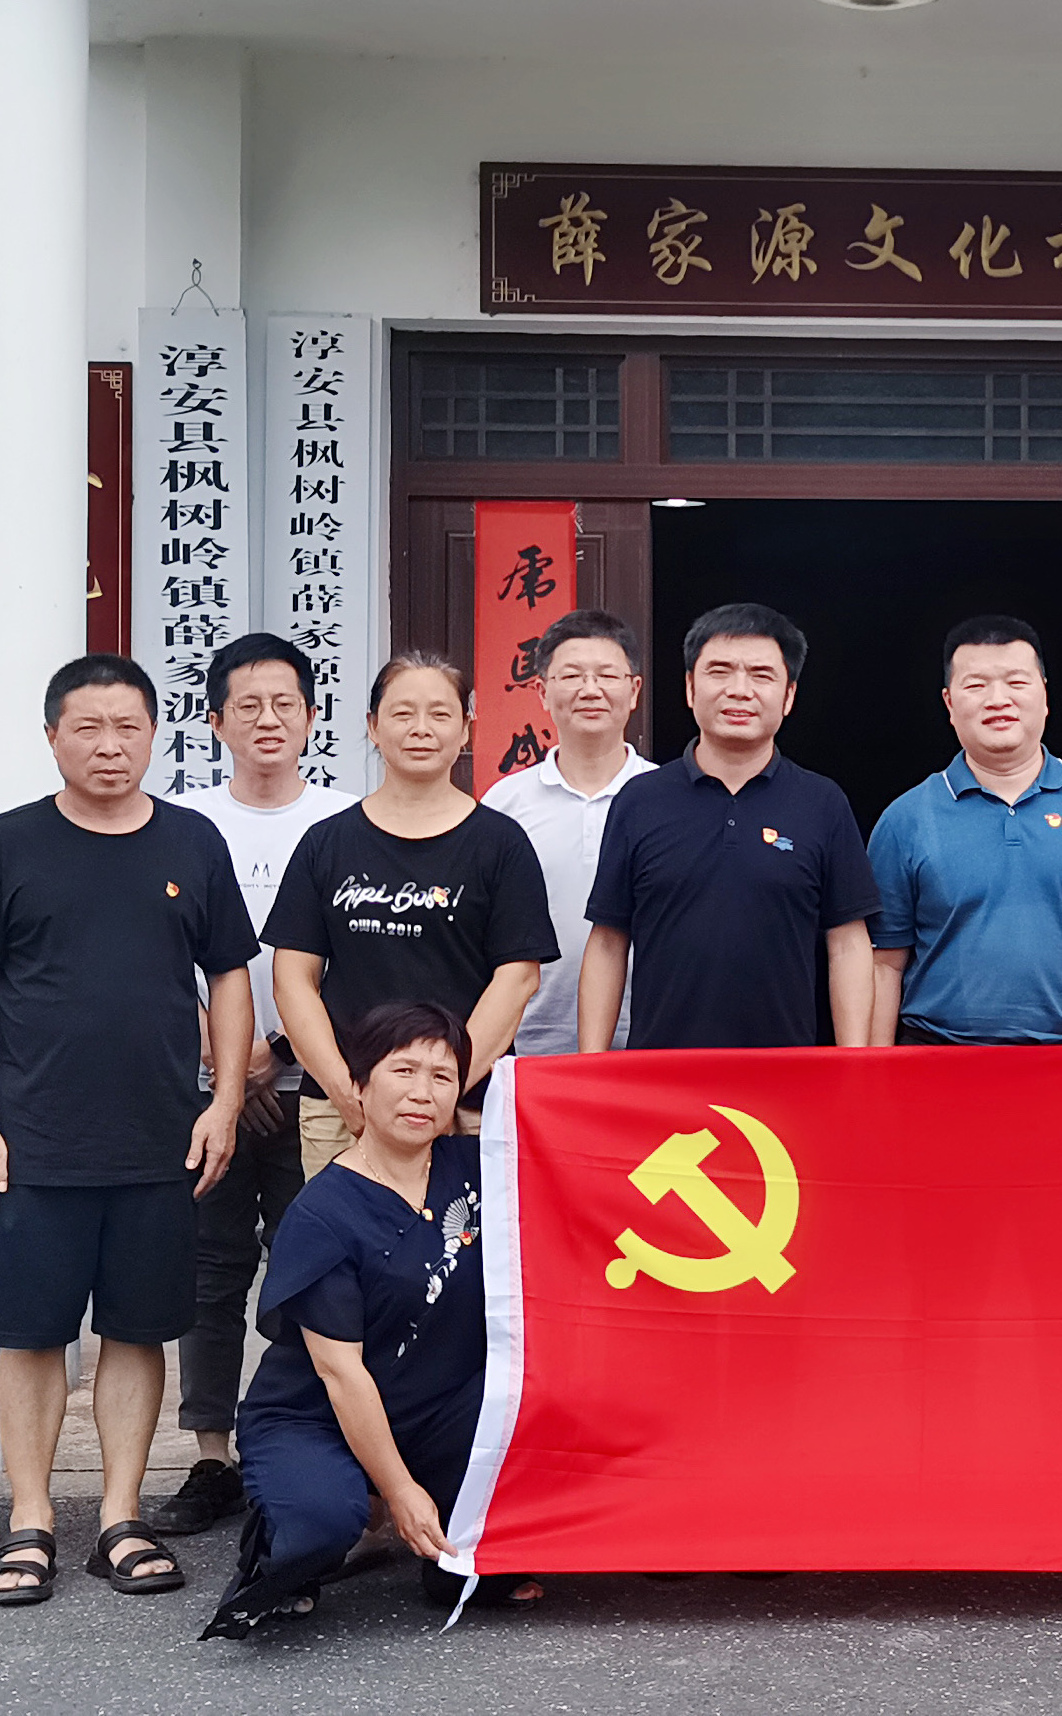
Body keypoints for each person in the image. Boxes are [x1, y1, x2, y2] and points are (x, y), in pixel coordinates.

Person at [0, 653, 262, 1608]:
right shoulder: (5, 845)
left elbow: (229, 978)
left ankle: (120, 1516)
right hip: (29, 1142)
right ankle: (31, 1519)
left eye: (127, 727)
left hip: (158, 1142)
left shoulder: (192, 842)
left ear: (155, 735)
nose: (109, 746)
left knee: (137, 1332)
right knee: (28, 1338)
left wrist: (223, 1103)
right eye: (87, 727)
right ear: (52, 738)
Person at [202, 1000, 539, 1639]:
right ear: (357, 1084)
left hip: (440, 1410)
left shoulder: (482, 1169)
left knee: (481, 1572)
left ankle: (424, 1532)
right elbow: (341, 1374)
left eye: (442, 1076)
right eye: (402, 1071)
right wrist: (403, 1489)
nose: (422, 1093)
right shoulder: (323, 1214)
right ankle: (299, 1522)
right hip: (320, 1417)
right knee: (320, 1527)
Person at [146, 633, 356, 1538]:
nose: (267, 721)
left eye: (285, 705)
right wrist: (229, 1065)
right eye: (248, 706)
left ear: (311, 717)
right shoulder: (180, 824)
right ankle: (211, 1457)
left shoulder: (348, 820)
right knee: (210, 1272)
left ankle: (303, 1440)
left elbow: (358, 958)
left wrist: (273, 1049)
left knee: (319, 1273)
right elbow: (162, 958)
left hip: (324, 1084)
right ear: (214, 720)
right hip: (209, 1090)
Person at [268, 653, 556, 1128]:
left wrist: (441, 1090)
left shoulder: (501, 844)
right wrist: (345, 1091)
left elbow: (518, 979)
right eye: (403, 713)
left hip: (465, 1110)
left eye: (440, 714)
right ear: (373, 727)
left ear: (465, 730)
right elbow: (293, 979)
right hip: (344, 1108)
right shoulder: (327, 843)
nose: (421, 729)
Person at [580, 603, 877, 1053]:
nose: (739, 691)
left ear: (789, 696)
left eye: (761, 675)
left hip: (785, 1070)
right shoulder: (639, 801)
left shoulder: (822, 803)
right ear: (689, 687)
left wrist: (854, 1064)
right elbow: (607, 941)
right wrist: (591, 1066)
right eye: (719, 671)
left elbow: (848, 943)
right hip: (659, 1072)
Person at [867, 615, 1062, 1047]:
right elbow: (884, 963)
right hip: (940, 1060)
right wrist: (874, 1071)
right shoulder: (906, 819)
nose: (998, 699)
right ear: (949, 703)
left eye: (1016, 682)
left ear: (1044, 694)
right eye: (976, 685)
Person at [479, 610, 657, 1056]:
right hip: (525, 1041)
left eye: (607, 676)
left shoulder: (668, 798)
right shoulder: (505, 803)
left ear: (634, 690)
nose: (590, 690)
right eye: (572, 676)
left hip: (651, 1039)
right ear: (542, 691)